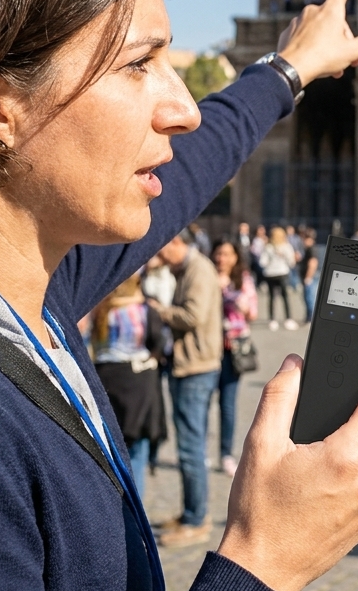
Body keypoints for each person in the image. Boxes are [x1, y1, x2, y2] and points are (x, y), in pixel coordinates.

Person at [0, 0, 358, 591]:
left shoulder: (37, 286)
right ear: (2, 108)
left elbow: (197, 162)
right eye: (139, 65)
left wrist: (288, 72)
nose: (180, 107)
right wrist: (261, 569)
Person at [155, 228, 223, 547]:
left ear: (175, 242)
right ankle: (190, 512)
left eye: (161, 250)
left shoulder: (198, 270)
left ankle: (197, 519)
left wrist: (160, 312)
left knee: (190, 447)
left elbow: (193, 316)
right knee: (189, 444)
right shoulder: (185, 269)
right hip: (190, 364)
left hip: (196, 366)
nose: (158, 257)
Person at [89, 274, 167, 497]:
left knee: (112, 448)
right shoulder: (144, 311)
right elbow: (159, 341)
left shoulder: (103, 310)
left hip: (106, 380)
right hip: (137, 381)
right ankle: (135, 510)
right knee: (136, 451)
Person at [212, 240, 258, 477]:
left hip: (234, 349)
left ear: (235, 257)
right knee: (203, 403)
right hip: (209, 348)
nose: (222, 258)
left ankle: (225, 453)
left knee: (227, 404)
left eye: (227, 254)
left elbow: (252, 312)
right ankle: (201, 452)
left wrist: (233, 298)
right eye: (219, 253)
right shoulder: (207, 275)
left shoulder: (243, 279)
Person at [260, 224, 298, 329]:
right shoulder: (286, 246)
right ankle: (288, 319)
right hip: (282, 273)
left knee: (272, 297)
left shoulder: (268, 247)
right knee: (285, 297)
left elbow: (262, 262)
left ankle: (272, 320)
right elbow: (292, 262)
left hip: (270, 273)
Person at [301, 227, 325, 321]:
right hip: (315, 275)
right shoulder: (313, 248)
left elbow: (313, 263)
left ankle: (311, 317)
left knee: (309, 297)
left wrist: (308, 277)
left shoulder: (311, 249)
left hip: (312, 276)